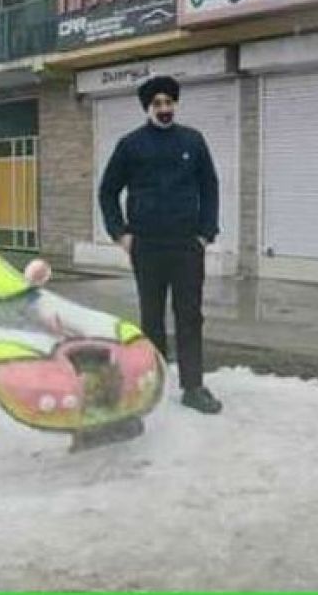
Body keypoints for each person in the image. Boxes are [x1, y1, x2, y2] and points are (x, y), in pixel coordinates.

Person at [98, 75, 223, 415]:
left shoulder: (193, 141)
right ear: (148, 108)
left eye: (169, 102)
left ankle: (193, 387)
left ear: (175, 105)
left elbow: (209, 186)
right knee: (151, 317)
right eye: (157, 104)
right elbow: (107, 190)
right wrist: (120, 234)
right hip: (147, 246)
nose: (164, 108)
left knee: (190, 316)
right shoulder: (131, 145)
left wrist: (205, 233)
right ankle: (152, 384)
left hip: (186, 245)